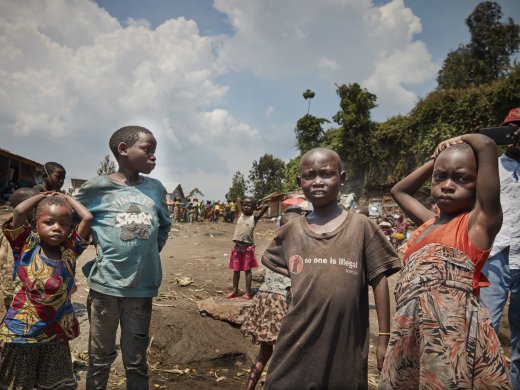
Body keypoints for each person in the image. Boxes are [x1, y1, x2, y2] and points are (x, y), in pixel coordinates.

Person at [262, 148, 401, 389]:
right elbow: (269, 259)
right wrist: (299, 275)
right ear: (300, 182)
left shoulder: (361, 226)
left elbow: (379, 280)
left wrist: (384, 338)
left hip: (345, 341)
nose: (317, 181)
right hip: (298, 336)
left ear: (342, 178)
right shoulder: (292, 231)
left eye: (326, 174)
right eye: (309, 175)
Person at [379, 133, 511, 388]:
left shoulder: (479, 224)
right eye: (440, 177)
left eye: (462, 179)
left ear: (479, 185)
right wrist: (435, 160)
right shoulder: (428, 224)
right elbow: (399, 190)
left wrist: (457, 139)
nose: (447, 185)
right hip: (411, 331)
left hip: (451, 338)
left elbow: (486, 145)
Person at [74, 125, 171, 389]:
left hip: (141, 288)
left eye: (155, 152)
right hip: (105, 286)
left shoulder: (156, 189)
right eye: (147, 150)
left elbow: (164, 225)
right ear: (123, 150)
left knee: (137, 360)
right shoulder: (96, 188)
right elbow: (70, 218)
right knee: (99, 358)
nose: (153, 157)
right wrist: (86, 242)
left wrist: (150, 251)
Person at [0, 191, 92, 389]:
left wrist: (67, 199)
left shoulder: (69, 251)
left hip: (55, 334)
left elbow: (87, 218)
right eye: (49, 222)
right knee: (18, 384)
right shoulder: (25, 247)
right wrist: (42, 195)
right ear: (34, 225)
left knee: (52, 385)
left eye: (64, 224)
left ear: (69, 229)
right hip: (23, 334)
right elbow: (18, 211)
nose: (57, 228)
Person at [480, 107, 520, 389]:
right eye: (512, 129)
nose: (517, 136)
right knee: (485, 328)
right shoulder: (490, 165)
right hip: (495, 254)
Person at [240, 208, 302, 389]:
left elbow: (267, 263)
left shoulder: (276, 244)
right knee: (285, 353)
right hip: (282, 302)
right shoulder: (299, 249)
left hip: (264, 300)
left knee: (264, 353)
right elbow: (294, 282)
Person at [226, 197, 268, 300]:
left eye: (249, 205)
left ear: (254, 207)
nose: (246, 206)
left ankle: (248, 292)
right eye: (244, 205)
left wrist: (258, 207)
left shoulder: (255, 217)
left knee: (247, 270)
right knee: (236, 270)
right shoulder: (240, 214)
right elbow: (238, 199)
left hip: (247, 248)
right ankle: (234, 290)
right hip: (237, 248)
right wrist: (246, 203)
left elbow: (266, 206)